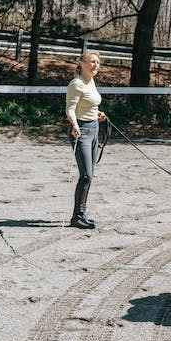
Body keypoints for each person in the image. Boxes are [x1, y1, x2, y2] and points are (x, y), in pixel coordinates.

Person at [65, 51, 107, 229]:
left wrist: (97, 114)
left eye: (97, 62)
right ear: (82, 63)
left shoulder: (91, 82)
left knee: (89, 175)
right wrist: (74, 125)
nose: (95, 65)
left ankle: (82, 213)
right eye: (91, 62)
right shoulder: (76, 84)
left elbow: (89, 105)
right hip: (80, 131)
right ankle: (77, 216)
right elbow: (70, 109)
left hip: (94, 129)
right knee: (86, 174)